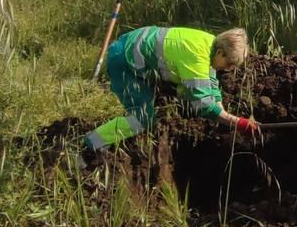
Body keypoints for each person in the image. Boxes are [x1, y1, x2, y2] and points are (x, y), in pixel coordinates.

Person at [82, 26, 258, 162]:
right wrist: (238, 123)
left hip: (133, 45)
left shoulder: (210, 44)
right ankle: (90, 147)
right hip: (123, 61)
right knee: (143, 118)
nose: (228, 69)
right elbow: (204, 107)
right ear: (220, 52)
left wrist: (230, 118)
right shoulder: (196, 57)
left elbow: (211, 87)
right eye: (229, 63)